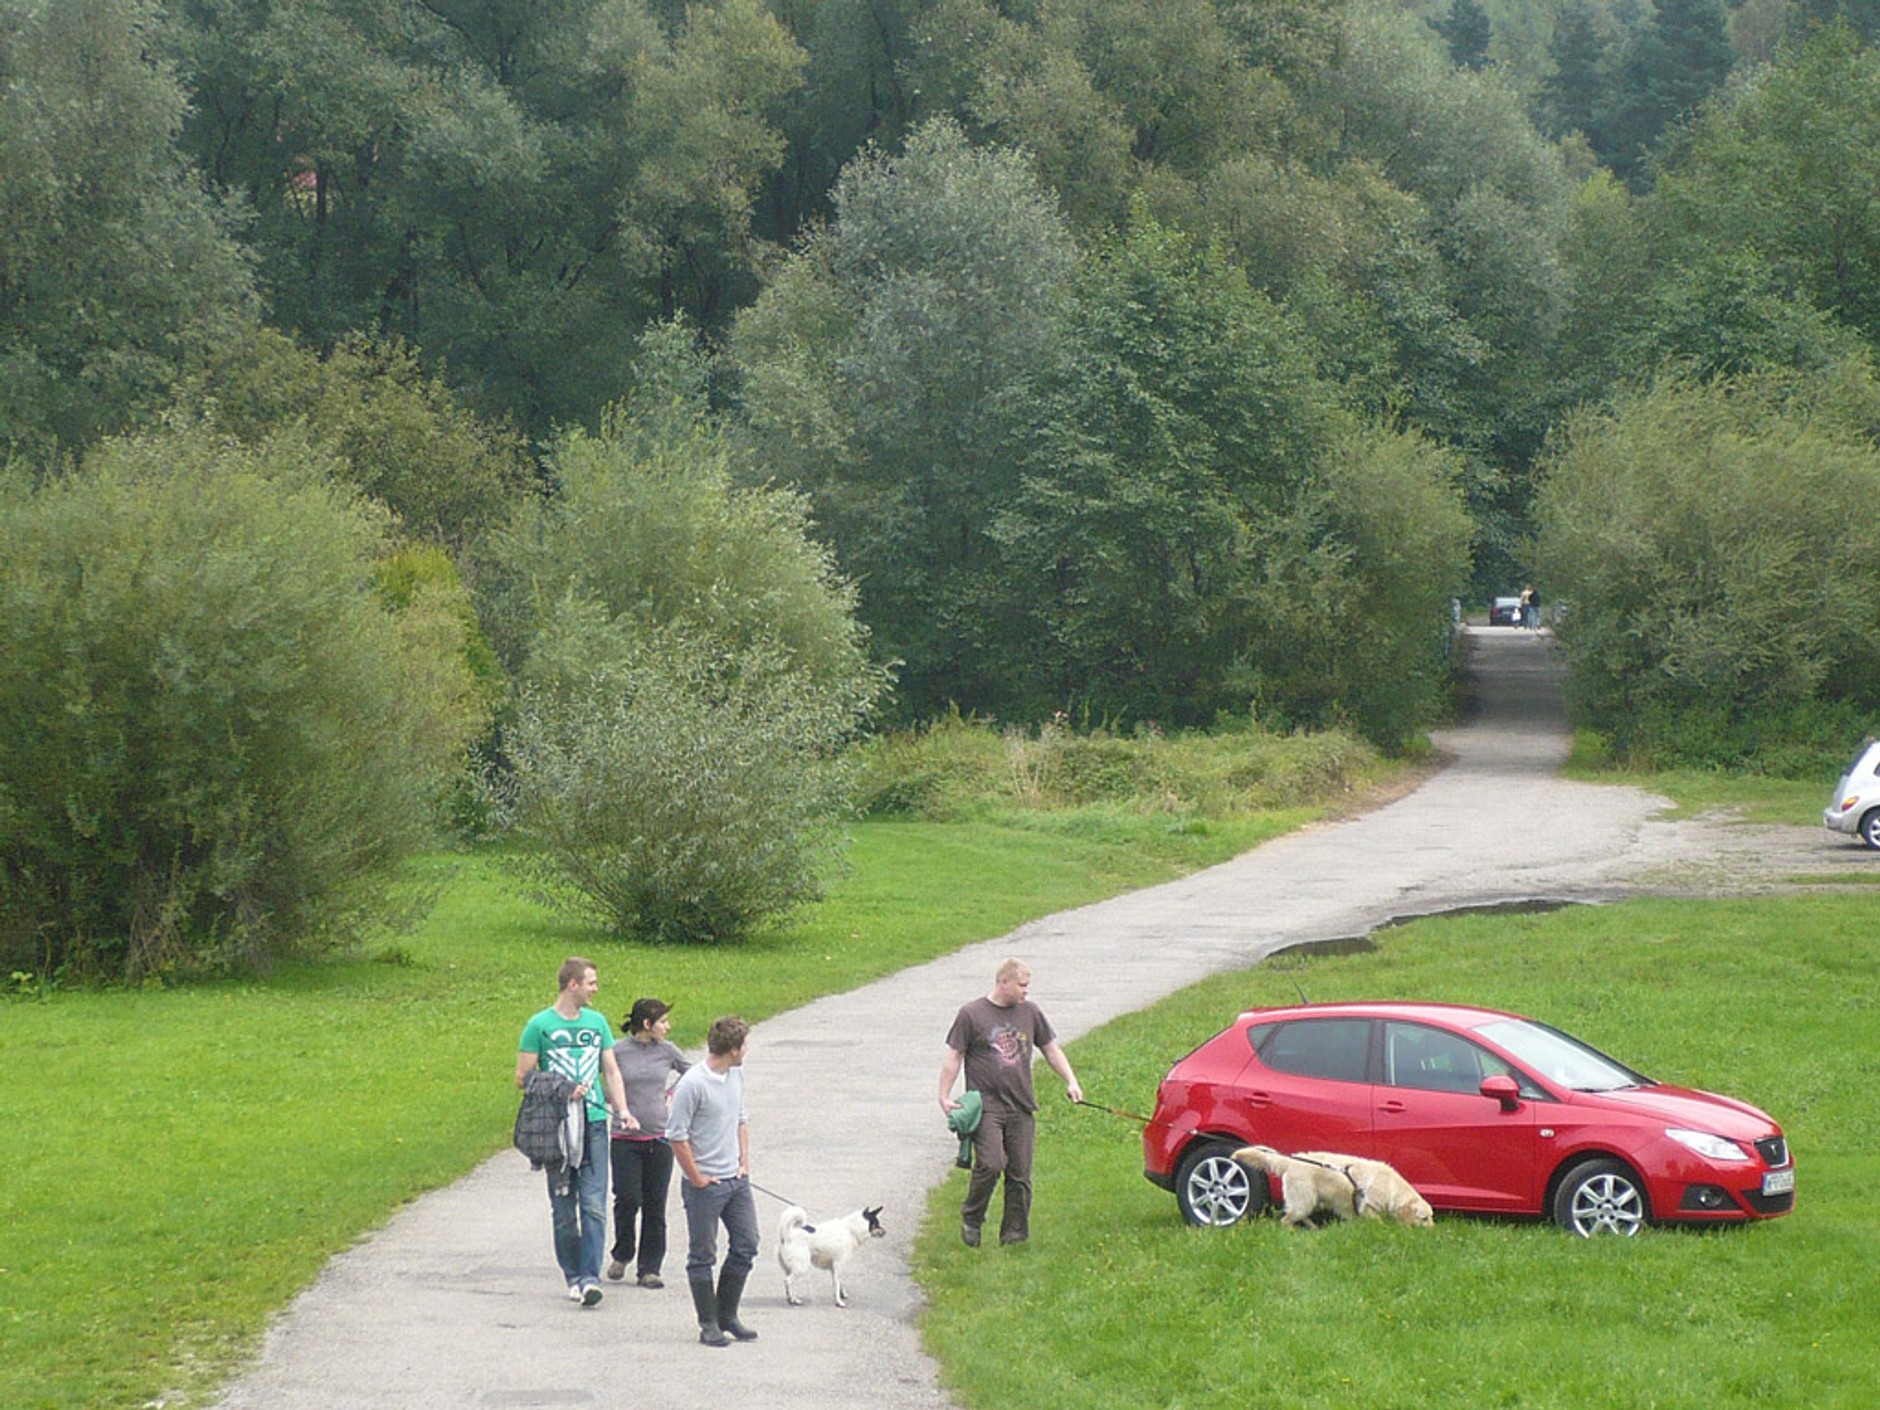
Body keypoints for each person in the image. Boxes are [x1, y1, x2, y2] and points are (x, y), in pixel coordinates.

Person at [937, 958, 1083, 1247]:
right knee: (991, 1163)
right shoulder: (972, 1014)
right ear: (1004, 982)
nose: (1026, 991)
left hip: (1021, 1105)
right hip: (986, 1106)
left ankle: (1014, 1237)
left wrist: (1071, 1080)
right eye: (1022, 985)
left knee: (1020, 1174)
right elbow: (954, 1055)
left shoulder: (1030, 1012)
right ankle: (972, 1216)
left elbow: (1051, 1049)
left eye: (1027, 986)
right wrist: (944, 1095)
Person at [516, 957, 631, 1307]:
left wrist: (623, 1110)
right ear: (573, 984)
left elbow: (611, 1071)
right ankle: (573, 1276)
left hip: (594, 1124)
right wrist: (562, 1088)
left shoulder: (597, 1023)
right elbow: (523, 1078)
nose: (596, 989)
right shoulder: (539, 1025)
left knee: (594, 1204)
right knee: (564, 1209)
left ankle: (590, 1278)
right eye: (591, 982)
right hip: (558, 1128)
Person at [667, 1015, 759, 1347]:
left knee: (747, 1244)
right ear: (733, 1050)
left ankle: (727, 1314)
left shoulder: (736, 1075)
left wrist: (743, 1162)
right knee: (702, 1253)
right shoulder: (693, 1084)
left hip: (736, 1180)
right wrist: (696, 1177)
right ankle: (708, 1323)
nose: (746, 1050)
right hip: (706, 1185)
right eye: (744, 1045)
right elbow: (676, 1135)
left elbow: (740, 1119)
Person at [606, 997, 691, 1288]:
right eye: (662, 1021)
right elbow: (601, 1077)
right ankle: (622, 1253)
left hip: (659, 1136)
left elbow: (692, 1074)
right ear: (646, 1024)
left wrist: (671, 1094)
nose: (668, 1027)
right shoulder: (617, 1050)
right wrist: (614, 1102)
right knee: (627, 1198)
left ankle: (650, 1268)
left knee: (655, 1203)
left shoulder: (667, 1050)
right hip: (624, 1137)